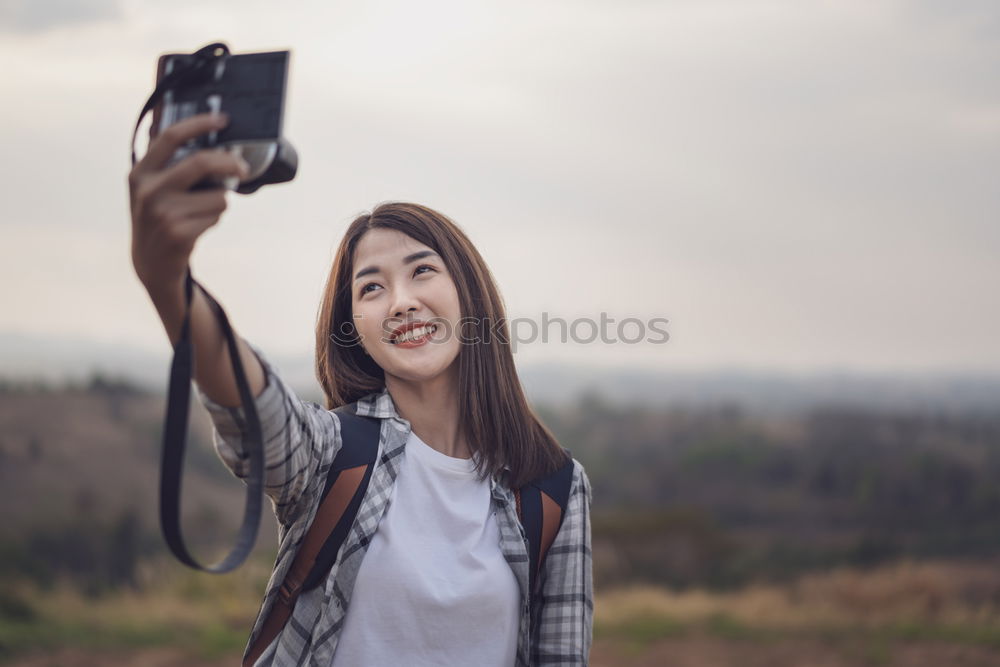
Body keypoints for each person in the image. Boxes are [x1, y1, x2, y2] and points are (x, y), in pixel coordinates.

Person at [128, 113, 593, 666]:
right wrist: (169, 281)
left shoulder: (552, 488)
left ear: (469, 293)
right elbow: (255, 407)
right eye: (372, 287)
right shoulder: (334, 455)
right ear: (354, 328)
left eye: (422, 271)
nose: (400, 301)